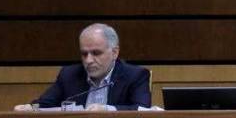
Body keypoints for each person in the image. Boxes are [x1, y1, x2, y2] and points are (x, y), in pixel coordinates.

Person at [14, 23, 151, 111]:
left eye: (96, 53)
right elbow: (46, 104)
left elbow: (143, 110)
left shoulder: (135, 75)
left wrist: (107, 110)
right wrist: (30, 108)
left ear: (114, 52)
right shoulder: (69, 75)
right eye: (84, 54)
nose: (88, 60)